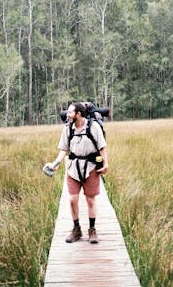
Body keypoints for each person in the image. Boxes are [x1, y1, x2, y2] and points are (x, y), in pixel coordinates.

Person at [48, 102, 109, 244]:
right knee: (72, 200)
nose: (66, 115)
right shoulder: (67, 128)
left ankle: (92, 230)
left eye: (70, 112)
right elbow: (63, 149)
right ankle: (76, 229)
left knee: (90, 200)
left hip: (91, 167)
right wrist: (55, 163)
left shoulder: (93, 127)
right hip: (73, 168)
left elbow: (102, 147)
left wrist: (106, 164)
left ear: (78, 114)